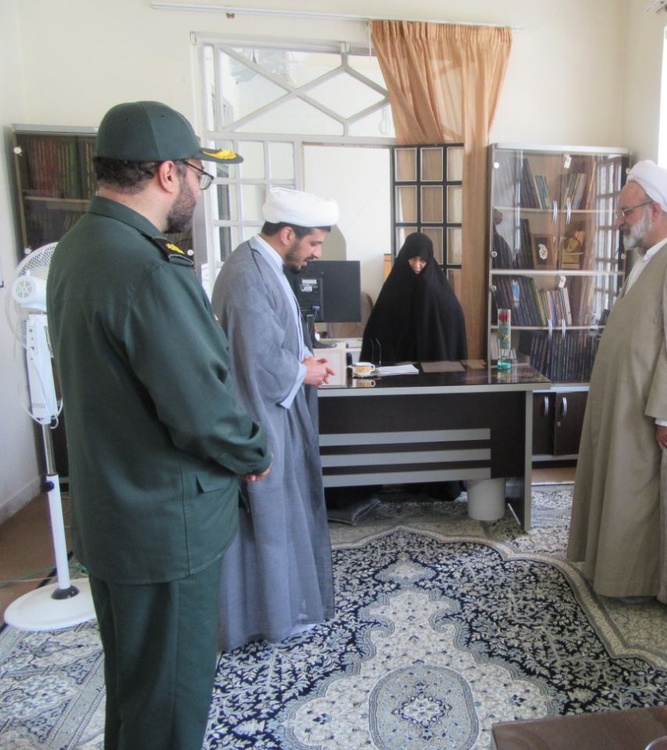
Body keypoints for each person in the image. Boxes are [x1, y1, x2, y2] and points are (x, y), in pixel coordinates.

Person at [46, 101, 272, 750]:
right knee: (169, 702)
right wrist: (253, 451)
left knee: (137, 687)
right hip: (163, 524)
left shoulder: (79, 248)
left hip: (112, 511)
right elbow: (201, 408)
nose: (199, 190)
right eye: (199, 174)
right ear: (169, 173)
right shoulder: (147, 268)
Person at [567, 160, 667, 613]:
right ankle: (609, 568)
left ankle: (638, 579)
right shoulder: (644, 262)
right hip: (623, 404)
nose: (619, 221)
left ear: (655, 210)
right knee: (618, 492)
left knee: (637, 497)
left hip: (648, 414)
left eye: (626, 212)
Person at [211, 187, 339, 650]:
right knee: (265, 516)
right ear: (287, 234)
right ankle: (266, 617)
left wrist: (305, 360)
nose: (316, 253)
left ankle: (284, 608)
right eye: (313, 243)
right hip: (259, 414)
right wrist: (302, 371)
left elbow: (279, 336)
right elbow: (258, 356)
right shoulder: (247, 274)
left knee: (283, 513)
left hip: (273, 409)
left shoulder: (264, 265)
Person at [361, 231, 468, 364]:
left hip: (434, 368)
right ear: (405, 257)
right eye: (412, 258)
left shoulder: (438, 292)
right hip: (398, 368)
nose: (417, 265)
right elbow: (377, 330)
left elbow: (454, 322)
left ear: (429, 259)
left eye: (422, 259)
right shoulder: (393, 290)